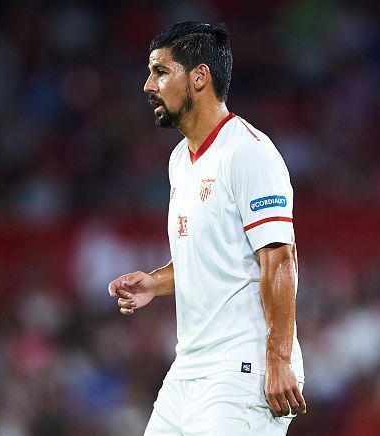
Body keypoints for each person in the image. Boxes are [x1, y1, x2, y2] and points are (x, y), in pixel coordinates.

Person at [108, 21, 306, 435]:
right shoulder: (180, 160)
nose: (148, 85)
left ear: (199, 77)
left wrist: (279, 360)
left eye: (161, 72)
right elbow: (213, 260)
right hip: (189, 368)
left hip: (241, 367)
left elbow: (279, 258)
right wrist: (154, 283)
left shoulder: (248, 153)